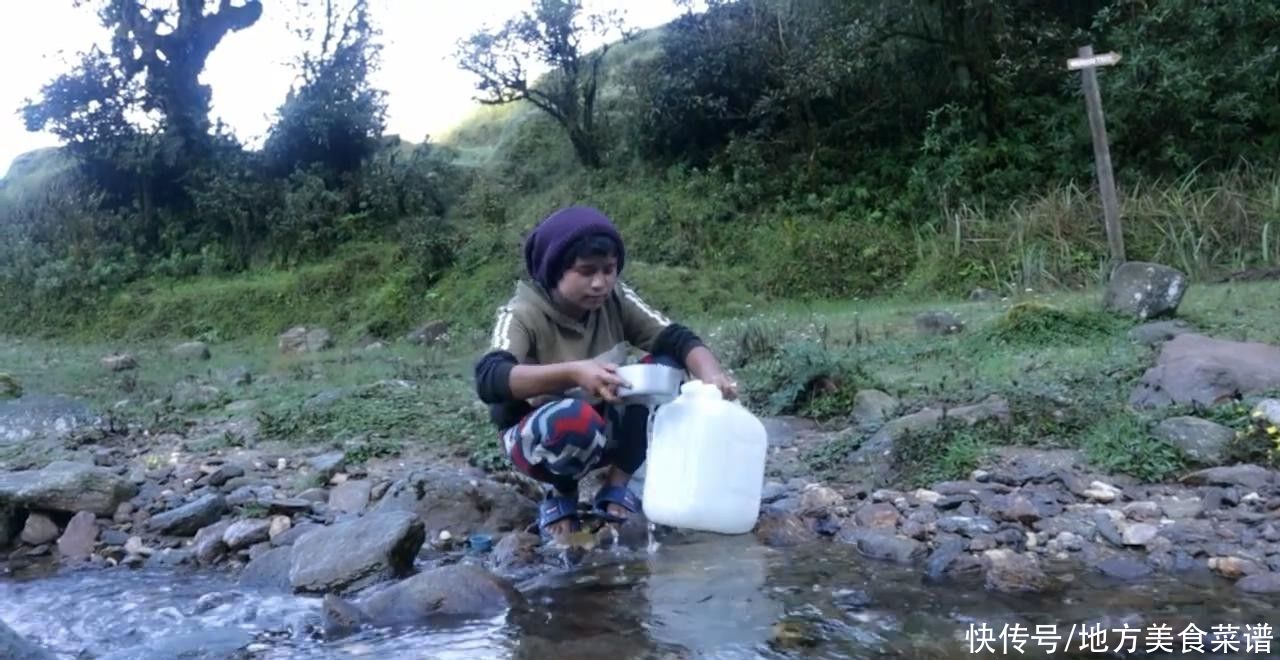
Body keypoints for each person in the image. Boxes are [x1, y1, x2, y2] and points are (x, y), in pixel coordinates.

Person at [474, 205, 739, 541]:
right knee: (573, 419)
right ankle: (561, 493)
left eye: (609, 270)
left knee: (666, 369)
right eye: (586, 272)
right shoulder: (522, 313)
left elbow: (676, 339)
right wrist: (573, 373)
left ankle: (616, 486)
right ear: (554, 271)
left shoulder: (615, 299)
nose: (600, 283)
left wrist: (712, 375)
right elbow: (489, 377)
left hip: (604, 423)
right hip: (537, 439)